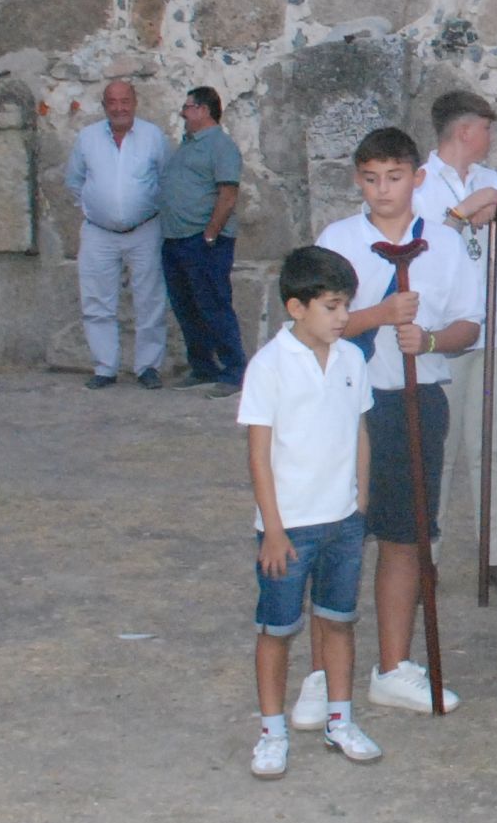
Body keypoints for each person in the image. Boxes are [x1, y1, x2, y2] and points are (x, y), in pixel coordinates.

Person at [295, 128, 482, 725]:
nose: (383, 190)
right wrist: (377, 316)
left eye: (395, 177)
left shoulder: (445, 247)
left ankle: (393, 668)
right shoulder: (339, 241)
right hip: (344, 405)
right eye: (371, 178)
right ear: (358, 179)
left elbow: (468, 326)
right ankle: (325, 676)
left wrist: (426, 337)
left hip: (414, 397)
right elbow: (311, 327)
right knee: (335, 533)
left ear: (417, 179)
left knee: (407, 536)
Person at [241, 245, 379, 779]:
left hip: (342, 520)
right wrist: (272, 529)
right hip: (289, 527)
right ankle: (272, 730)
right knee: (277, 628)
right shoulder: (270, 366)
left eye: (346, 305)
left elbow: (359, 433)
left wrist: (359, 503)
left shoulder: (351, 360)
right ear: (296, 308)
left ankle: (339, 719)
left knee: (339, 622)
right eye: (332, 306)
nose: (344, 317)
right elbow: (259, 452)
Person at [413, 91, 497, 601]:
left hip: (495, 331)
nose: (490, 137)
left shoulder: (493, 180)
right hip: (440, 335)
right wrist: (461, 215)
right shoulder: (416, 184)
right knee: (438, 449)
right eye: (486, 127)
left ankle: (495, 554)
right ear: (464, 130)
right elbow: (418, 252)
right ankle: (425, 558)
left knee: (494, 447)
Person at [65, 79, 169, 390]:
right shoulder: (87, 138)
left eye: (125, 101)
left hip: (145, 229)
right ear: (104, 105)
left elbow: (166, 178)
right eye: (113, 101)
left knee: (150, 299)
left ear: (135, 103)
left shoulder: (154, 137)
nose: (119, 107)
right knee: (96, 299)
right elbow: (74, 181)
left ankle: (148, 367)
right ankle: (105, 367)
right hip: (99, 232)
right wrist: (98, 207)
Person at [160, 86, 247, 398]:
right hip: (175, 239)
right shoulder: (187, 145)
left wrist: (211, 233)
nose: (183, 113)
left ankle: (235, 370)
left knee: (214, 305)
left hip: (204, 240)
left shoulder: (220, 146)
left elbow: (228, 192)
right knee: (186, 307)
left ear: (204, 110)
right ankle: (202, 367)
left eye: (188, 107)